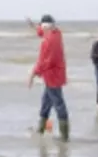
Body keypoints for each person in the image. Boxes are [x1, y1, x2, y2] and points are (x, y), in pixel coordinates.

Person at [27, 14, 69, 142]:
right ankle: (41, 129)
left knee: (58, 103)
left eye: (41, 27)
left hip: (53, 77)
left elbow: (45, 61)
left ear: (46, 27)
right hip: (54, 75)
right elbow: (42, 31)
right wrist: (34, 26)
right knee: (46, 101)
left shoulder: (48, 42)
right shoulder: (56, 33)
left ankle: (64, 136)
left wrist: (33, 75)